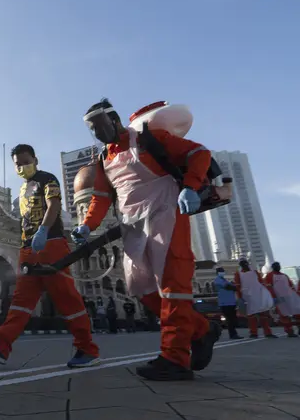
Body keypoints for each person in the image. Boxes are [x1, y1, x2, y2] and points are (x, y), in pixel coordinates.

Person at [72, 99, 221, 381]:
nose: (99, 132)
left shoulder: (148, 139)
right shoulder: (104, 159)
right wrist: (86, 226)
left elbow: (198, 152)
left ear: (115, 121)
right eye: (93, 129)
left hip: (165, 212)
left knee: (172, 285)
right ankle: (201, 329)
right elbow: (101, 198)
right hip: (132, 224)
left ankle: (174, 358)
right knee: (140, 287)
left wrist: (190, 186)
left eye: (101, 125)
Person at [0, 144, 100, 368]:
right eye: (18, 164)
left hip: (50, 243)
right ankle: (1, 343)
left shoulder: (46, 179)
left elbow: (54, 205)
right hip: (28, 248)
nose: (22, 167)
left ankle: (86, 348)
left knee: (66, 297)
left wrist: (43, 230)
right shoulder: (22, 190)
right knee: (21, 299)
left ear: (35, 159)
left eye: (25, 161)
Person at [234, 257, 277, 339]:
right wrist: (240, 298)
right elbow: (238, 286)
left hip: (258, 295)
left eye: (245, 263)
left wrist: (265, 294)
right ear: (240, 265)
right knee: (251, 316)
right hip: (248, 297)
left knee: (263, 315)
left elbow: (261, 283)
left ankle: (268, 333)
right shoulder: (238, 274)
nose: (244, 264)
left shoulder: (255, 272)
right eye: (242, 263)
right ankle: (253, 333)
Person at [263, 262, 299, 337]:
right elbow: (269, 287)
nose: (278, 267)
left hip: (288, 298)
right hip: (279, 298)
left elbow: (291, 286)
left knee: (296, 313)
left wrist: (295, 296)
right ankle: (289, 331)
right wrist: (273, 297)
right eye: (276, 266)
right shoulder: (270, 275)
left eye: (279, 266)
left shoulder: (284, 275)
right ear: (273, 267)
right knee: (284, 315)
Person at [214, 267, 242, 339]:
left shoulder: (224, 280)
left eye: (223, 271)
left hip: (231, 302)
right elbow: (228, 287)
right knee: (230, 319)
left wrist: (234, 286)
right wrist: (236, 287)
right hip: (225, 303)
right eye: (221, 271)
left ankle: (234, 334)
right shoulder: (218, 280)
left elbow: (232, 286)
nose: (222, 272)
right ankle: (233, 334)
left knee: (233, 319)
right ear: (217, 273)